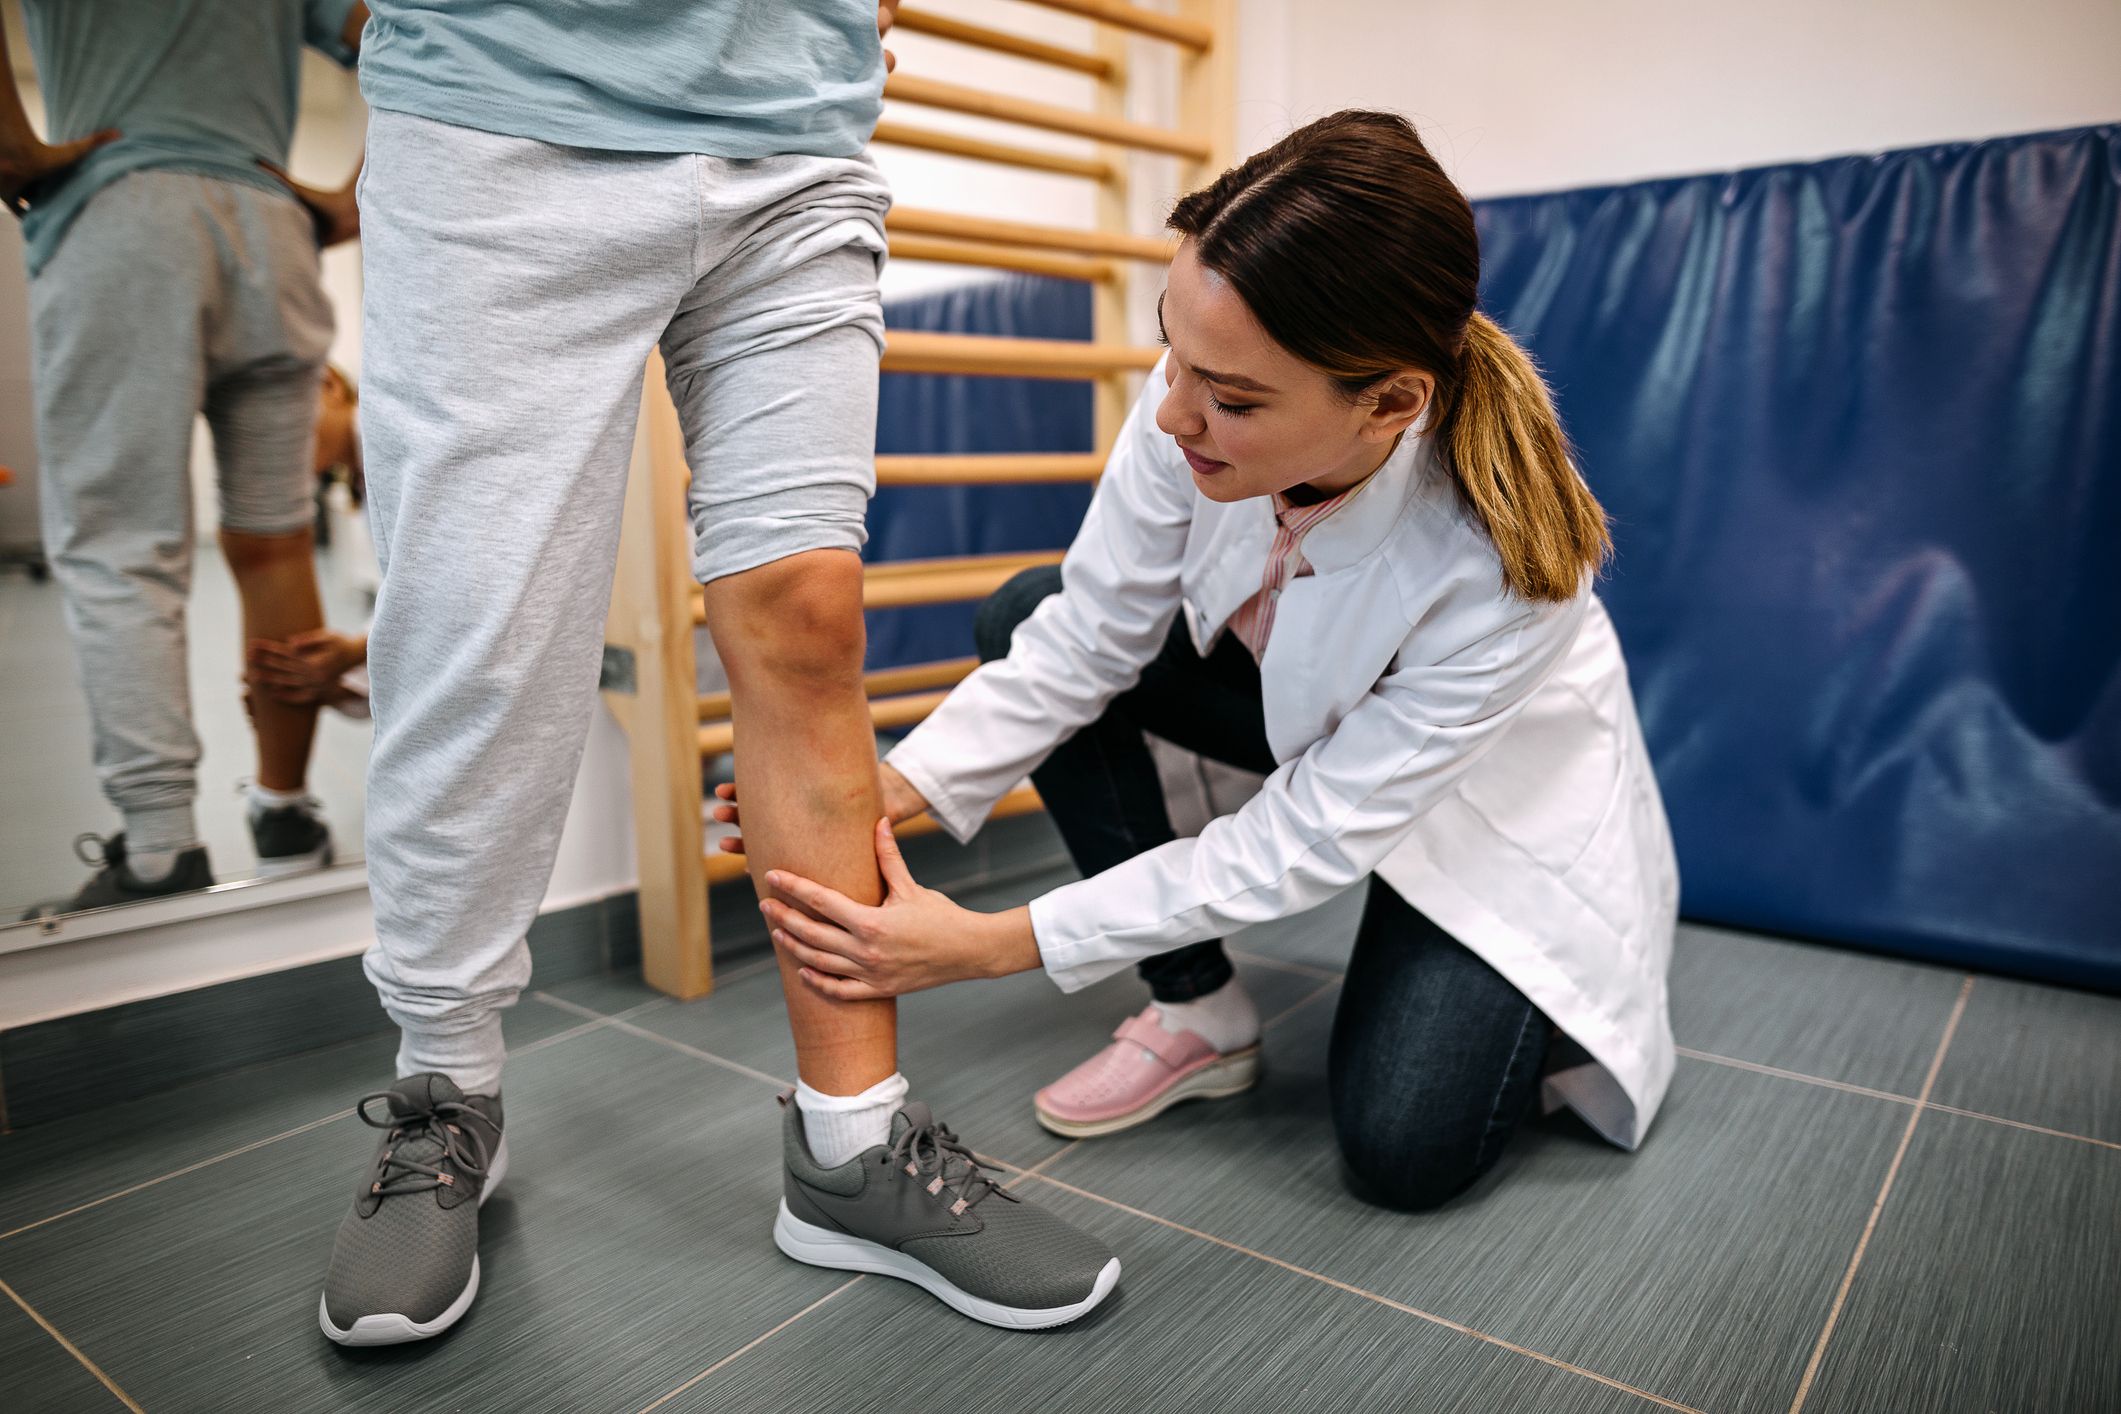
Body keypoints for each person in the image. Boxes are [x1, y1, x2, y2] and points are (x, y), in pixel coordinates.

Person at [318, 0, 1117, 1348]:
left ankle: (851, 1146)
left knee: (808, 621)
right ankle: (446, 1089)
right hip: (499, 112)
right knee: (482, 636)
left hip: (790, 132)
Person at [729, 110, 1680, 1212]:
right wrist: (892, 788)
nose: (1175, 411)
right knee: (1029, 612)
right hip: (1304, 718)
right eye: (1173, 354)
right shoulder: (1201, 388)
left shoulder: (1505, 567)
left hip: (1486, 801)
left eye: (1230, 399)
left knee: (1405, 1151)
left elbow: (1302, 838)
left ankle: (1503, 991)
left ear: (1392, 402)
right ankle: (1201, 1011)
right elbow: (1090, 634)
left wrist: (989, 942)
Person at [3, 0, 361, 915]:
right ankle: (283, 814)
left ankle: (160, 847)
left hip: (123, 209)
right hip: (270, 228)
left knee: (121, 546)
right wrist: (360, 186)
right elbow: (396, 30)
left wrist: (13, 139)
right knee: (276, 539)